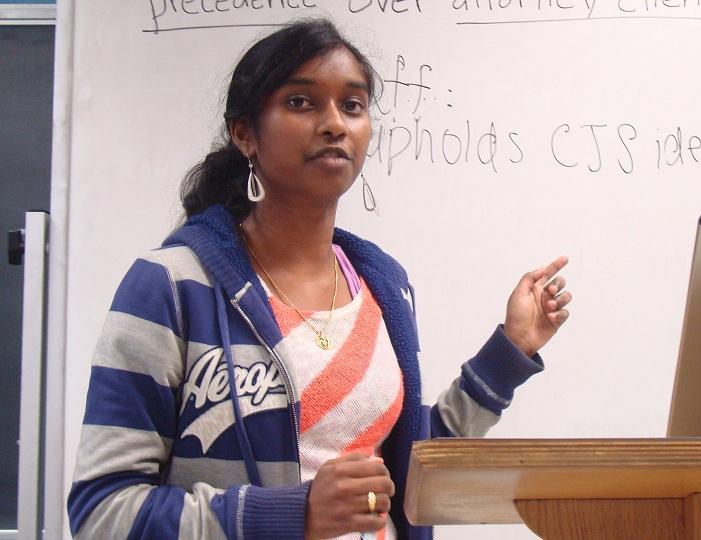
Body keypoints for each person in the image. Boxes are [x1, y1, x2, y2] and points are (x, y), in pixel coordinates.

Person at [66, 18, 571, 540]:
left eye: (352, 106)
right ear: (245, 134)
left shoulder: (383, 287)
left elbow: (408, 474)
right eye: (302, 103)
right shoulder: (170, 287)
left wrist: (508, 353)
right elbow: (104, 512)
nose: (335, 124)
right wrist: (293, 513)